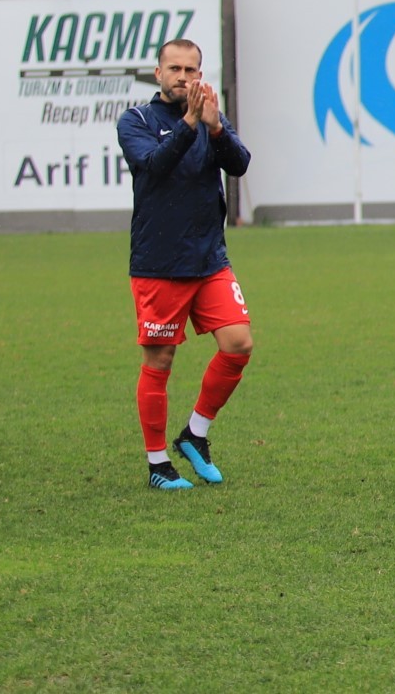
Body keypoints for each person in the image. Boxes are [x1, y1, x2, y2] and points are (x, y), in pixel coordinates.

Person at [117, 39, 254, 491]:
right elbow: (154, 166)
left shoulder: (211, 116)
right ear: (157, 73)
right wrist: (191, 123)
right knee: (160, 359)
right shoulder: (136, 120)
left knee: (238, 345)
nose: (182, 76)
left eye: (191, 69)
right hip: (159, 262)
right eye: (173, 68)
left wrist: (215, 129)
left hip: (209, 258)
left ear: (200, 74)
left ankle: (195, 434)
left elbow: (239, 166)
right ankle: (158, 464)